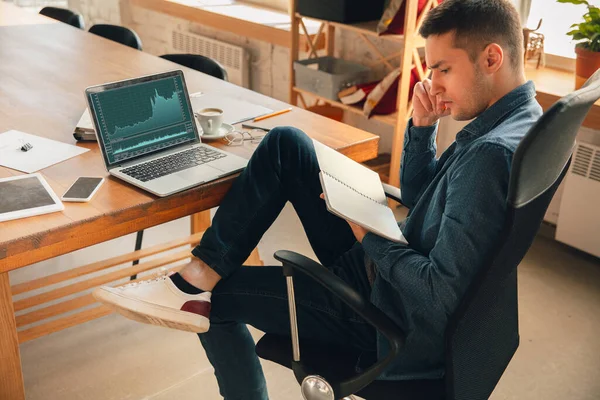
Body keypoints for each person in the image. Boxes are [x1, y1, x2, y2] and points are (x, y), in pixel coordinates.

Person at [93, 0, 542, 398]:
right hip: (389, 270)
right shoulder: (523, 119)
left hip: (383, 317)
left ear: (491, 57)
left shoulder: (489, 155)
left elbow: (437, 294)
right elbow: (425, 198)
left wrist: (370, 235)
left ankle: (195, 288)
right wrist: (421, 130)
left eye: (443, 68)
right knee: (288, 145)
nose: (433, 82)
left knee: (219, 299)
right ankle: (197, 272)